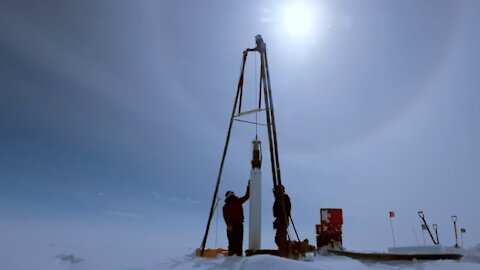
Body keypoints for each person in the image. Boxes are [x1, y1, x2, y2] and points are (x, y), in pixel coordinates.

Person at [222, 181, 250, 256]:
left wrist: (228, 225)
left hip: (231, 226)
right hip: (237, 225)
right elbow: (247, 196)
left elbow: (225, 216)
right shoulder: (237, 201)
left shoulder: (226, 206)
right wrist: (248, 186)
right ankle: (237, 257)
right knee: (238, 242)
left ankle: (231, 258)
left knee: (231, 243)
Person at [273, 184, 291, 255]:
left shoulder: (284, 198)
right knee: (279, 237)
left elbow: (286, 209)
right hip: (280, 219)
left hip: (283, 219)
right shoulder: (278, 198)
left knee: (280, 236)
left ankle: (283, 250)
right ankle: (283, 249)